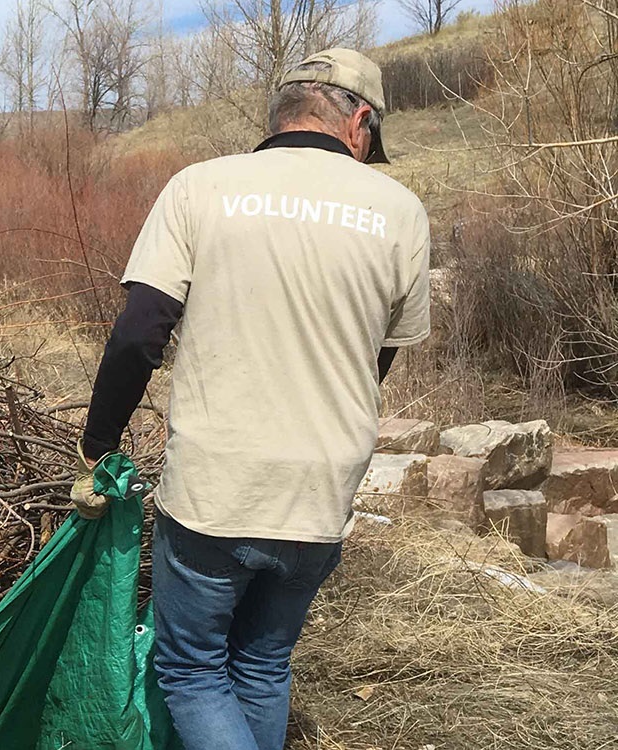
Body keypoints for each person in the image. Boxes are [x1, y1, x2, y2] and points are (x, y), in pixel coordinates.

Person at [70, 48, 430, 750]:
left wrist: (98, 444)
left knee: (193, 670)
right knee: (262, 664)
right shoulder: (399, 211)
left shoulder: (201, 188)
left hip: (217, 487)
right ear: (360, 120)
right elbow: (375, 360)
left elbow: (140, 333)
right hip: (322, 489)